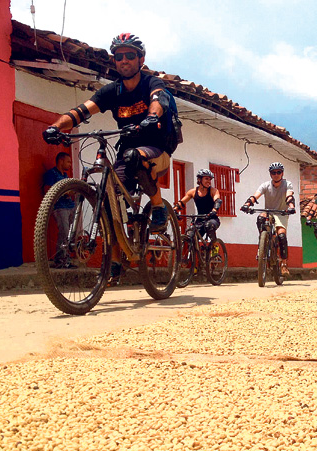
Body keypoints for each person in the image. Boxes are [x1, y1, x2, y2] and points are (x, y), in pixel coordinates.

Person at [42, 32, 171, 285]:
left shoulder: (151, 83)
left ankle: (157, 206)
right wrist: (56, 127)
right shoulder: (112, 91)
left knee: (135, 157)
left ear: (140, 59)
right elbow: (80, 111)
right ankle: (114, 262)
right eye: (119, 56)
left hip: (157, 148)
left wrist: (152, 116)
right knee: (109, 201)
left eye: (129, 55)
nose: (123, 60)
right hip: (127, 150)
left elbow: (159, 101)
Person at [240, 162, 296, 275]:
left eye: (278, 172)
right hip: (268, 212)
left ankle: (284, 264)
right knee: (260, 218)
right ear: (270, 174)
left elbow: (289, 196)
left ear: (282, 173)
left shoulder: (287, 184)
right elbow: (255, 196)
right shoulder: (265, 185)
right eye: (273, 172)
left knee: (281, 236)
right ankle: (263, 243)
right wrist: (247, 205)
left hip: (282, 213)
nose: (276, 174)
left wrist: (291, 207)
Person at [42, 152, 76, 269]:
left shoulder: (65, 176)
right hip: (60, 207)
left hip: (70, 206)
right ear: (61, 161)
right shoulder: (51, 174)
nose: (70, 165)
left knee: (71, 233)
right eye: (68, 162)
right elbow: (48, 190)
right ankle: (60, 259)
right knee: (64, 232)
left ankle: (67, 258)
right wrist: (64, 193)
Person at [173, 168, 222, 241]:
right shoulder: (192, 192)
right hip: (200, 219)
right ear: (199, 179)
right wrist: (175, 210)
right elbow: (181, 202)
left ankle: (214, 246)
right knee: (191, 236)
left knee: (210, 226)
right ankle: (194, 251)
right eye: (206, 179)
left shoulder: (213, 191)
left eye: (210, 179)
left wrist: (214, 210)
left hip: (212, 218)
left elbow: (218, 200)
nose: (209, 181)